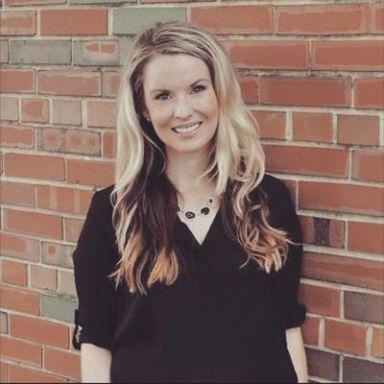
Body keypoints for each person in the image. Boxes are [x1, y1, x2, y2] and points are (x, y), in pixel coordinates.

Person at [73, 21, 308, 383]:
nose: (183, 111)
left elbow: (287, 327)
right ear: (143, 109)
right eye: (163, 95)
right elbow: (95, 341)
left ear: (219, 94)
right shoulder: (114, 211)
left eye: (197, 89)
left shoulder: (265, 200)